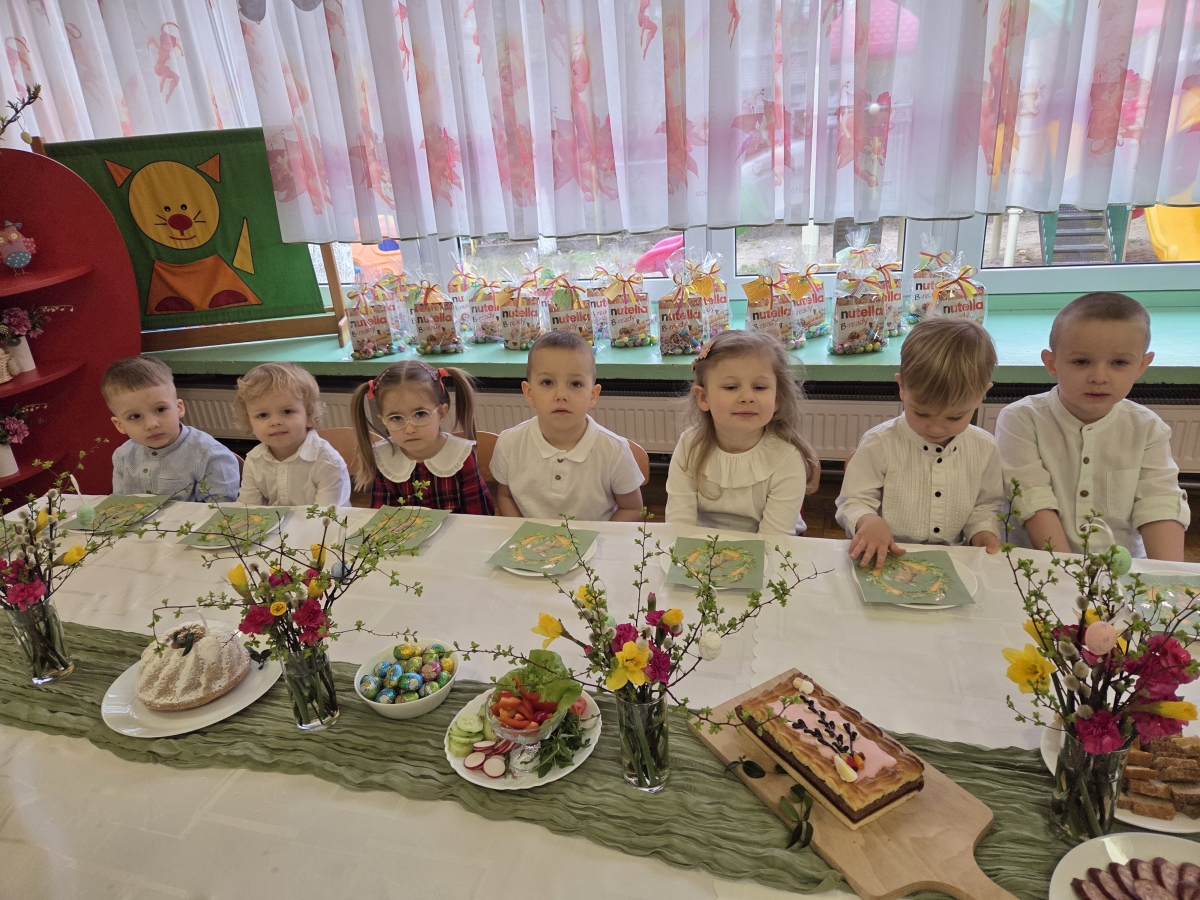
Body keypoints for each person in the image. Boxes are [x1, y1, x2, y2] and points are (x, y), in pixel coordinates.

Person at [995, 292, 1189, 560]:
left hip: (1121, 568)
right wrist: (1068, 570)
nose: (1099, 377)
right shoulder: (1021, 419)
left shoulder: (1149, 428)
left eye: (1119, 363)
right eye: (1081, 362)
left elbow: (1160, 505)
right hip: (1039, 565)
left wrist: (1168, 577)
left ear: (1142, 366)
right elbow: (1033, 500)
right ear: (1051, 364)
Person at [836, 318, 1005, 571]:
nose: (936, 428)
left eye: (954, 417)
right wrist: (868, 520)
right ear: (902, 387)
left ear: (982, 394)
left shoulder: (985, 448)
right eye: (922, 413)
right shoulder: (880, 443)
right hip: (886, 555)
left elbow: (985, 506)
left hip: (955, 560)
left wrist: (983, 531)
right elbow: (854, 500)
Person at [666, 330, 820, 535]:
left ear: (777, 399)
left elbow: (773, 538)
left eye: (759, 387)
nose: (747, 397)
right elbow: (679, 525)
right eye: (731, 387)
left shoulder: (787, 458)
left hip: (769, 546)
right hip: (703, 546)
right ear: (703, 398)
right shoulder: (689, 445)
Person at [492, 331, 644, 522]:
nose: (561, 395)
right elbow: (505, 496)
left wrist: (600, 537)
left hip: (596, 541)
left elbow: (632, 508)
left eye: (575, 384)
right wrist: (521, 532)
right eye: (547, 382)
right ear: (529, 392)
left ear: (592, 395)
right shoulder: (509, 443)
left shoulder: (615, 451)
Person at [350, 360, 494, 514]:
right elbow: (383, 517)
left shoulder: (461, 455)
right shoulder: (383, 458)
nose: (409, 429)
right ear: (383, 420)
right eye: (396, 418)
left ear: (441, 413)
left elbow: (479, 516)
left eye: (420, 414)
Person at [103, 355, 239, 502]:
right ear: (120, 425)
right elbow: (120, 506)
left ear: (179, 408)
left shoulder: (210, 455)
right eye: (135, 416)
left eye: (160, 409)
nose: (151, 424)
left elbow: (220, 511)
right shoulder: (123, 455)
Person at [234, 363, 350, 507]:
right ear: (250, 423)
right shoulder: (254, 460)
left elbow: (326, 516)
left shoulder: (327, 461)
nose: (275, 422)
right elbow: (248, 510)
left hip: (323, 521)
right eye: (263, 415)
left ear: (309, 415)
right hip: (278, 522)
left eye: (287, 411)